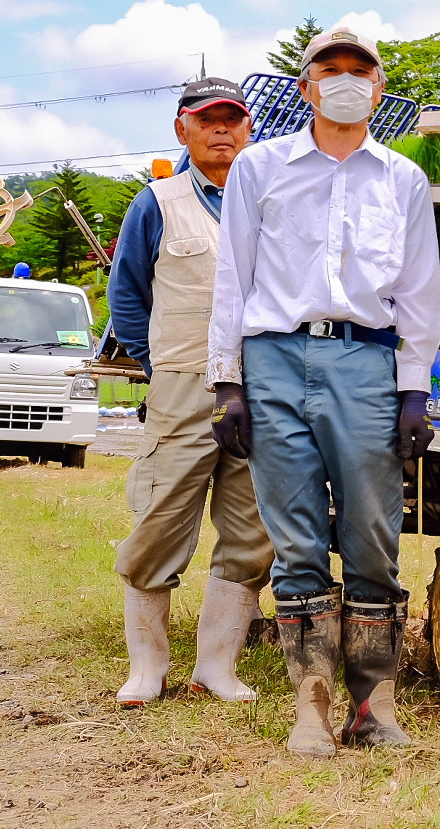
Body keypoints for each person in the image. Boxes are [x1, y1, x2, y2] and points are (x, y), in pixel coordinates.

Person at [207, 27, 440, 759]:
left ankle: (373, 705)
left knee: (372, 536)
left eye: (358, 70)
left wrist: (413, 392)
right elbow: (233, 275)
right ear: (305, 87)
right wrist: (228, 383)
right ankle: (310, 705)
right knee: (297, 540)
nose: (344, 80)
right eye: (327, 69)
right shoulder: (260, 167)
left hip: (365, 362)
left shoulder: (402, 179)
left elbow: (417, 291)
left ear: (377, 88)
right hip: (274, 357)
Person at [109, 77, 274, 708]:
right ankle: (147, 666)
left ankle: (217, 667)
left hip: (259, 388)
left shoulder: (269, 199)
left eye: (234, 119)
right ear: (184, 129)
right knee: (160, 521)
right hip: (182, 384)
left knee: (251, 528)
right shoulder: (157, 201)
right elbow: (128, 297)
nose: (222, 130)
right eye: (209, 120)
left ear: (250, 128)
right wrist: (160, 365)